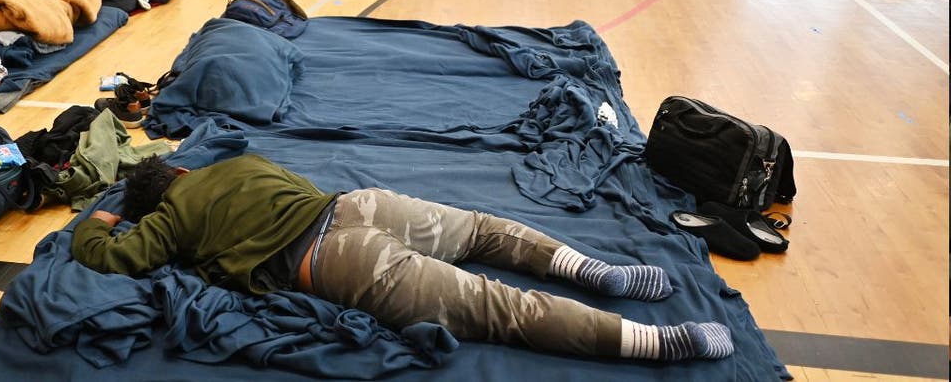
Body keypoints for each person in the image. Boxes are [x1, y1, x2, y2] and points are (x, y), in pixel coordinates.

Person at [71, 153, 736, 363]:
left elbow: (111, 256)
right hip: (359, 206)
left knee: (496, 307)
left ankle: (654, 341)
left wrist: (100, 219)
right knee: (482, 230)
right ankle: (585, 267)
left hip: (329, 261)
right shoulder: (238, 160)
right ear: (184, 166)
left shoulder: (168, 217)